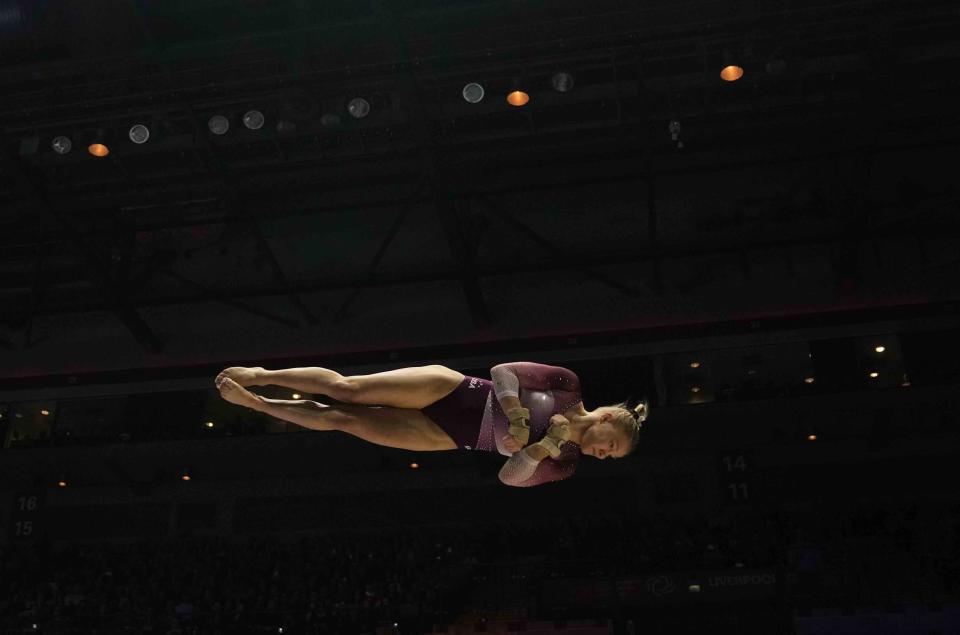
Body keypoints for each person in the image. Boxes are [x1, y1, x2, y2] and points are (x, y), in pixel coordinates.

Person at [215, 362, 647, 487]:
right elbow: (502, 372)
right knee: (348, 390)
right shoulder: (566, 385)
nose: (605, 456)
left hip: (451, 436)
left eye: (611, 458)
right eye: (613, 446)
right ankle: (263, 375)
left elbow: (510, 478)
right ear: (608, 418)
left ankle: (257, 403)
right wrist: (516, 414)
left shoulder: (566, 461)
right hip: (456, 391)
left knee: (341, 420)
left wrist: (538, 448)